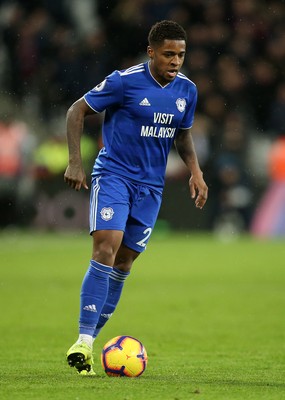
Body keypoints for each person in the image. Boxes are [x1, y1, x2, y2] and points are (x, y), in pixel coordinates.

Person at [64, 20, 208, 375]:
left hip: (151, 187)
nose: (176, 61)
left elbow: (183, 136)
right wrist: (75, 163)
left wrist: (196, 171)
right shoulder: (124, 81)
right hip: (114, 176)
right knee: (105, 248)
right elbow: (76, 110)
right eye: (168, 54)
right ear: (151, 52)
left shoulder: (187, 91)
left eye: (181, 55)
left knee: (124, 262)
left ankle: (90, 343)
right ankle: (82, 340)